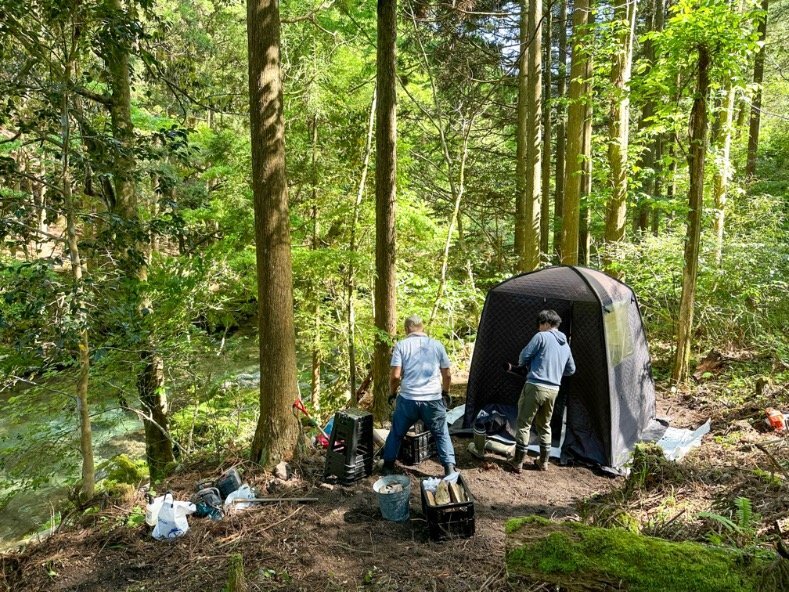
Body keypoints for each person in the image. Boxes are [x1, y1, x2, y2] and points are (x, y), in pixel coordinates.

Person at [381, 315, 456, 477]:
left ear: (407, 329)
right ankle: (449, 467)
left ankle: (387, 466)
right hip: (433, 401)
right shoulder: (437, 345)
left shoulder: (401, 345)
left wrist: (392, 393)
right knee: (441, 433)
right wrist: (445, 392)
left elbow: (395, 376)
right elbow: (447, 374)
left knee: (397, 432)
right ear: (422, 327)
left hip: (408, 399)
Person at [509, 309, 576, 473]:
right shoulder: (565, 344)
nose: (538, 328)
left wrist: (533, 365)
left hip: (535, 386)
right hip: (554, 389)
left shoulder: (541, 336)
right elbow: (571, 370)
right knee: (544, 425)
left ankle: (517, 462)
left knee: (524, 424)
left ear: (545, 323)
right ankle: (543, 462)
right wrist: (556, 371)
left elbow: (523, 357)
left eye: (540, 324)